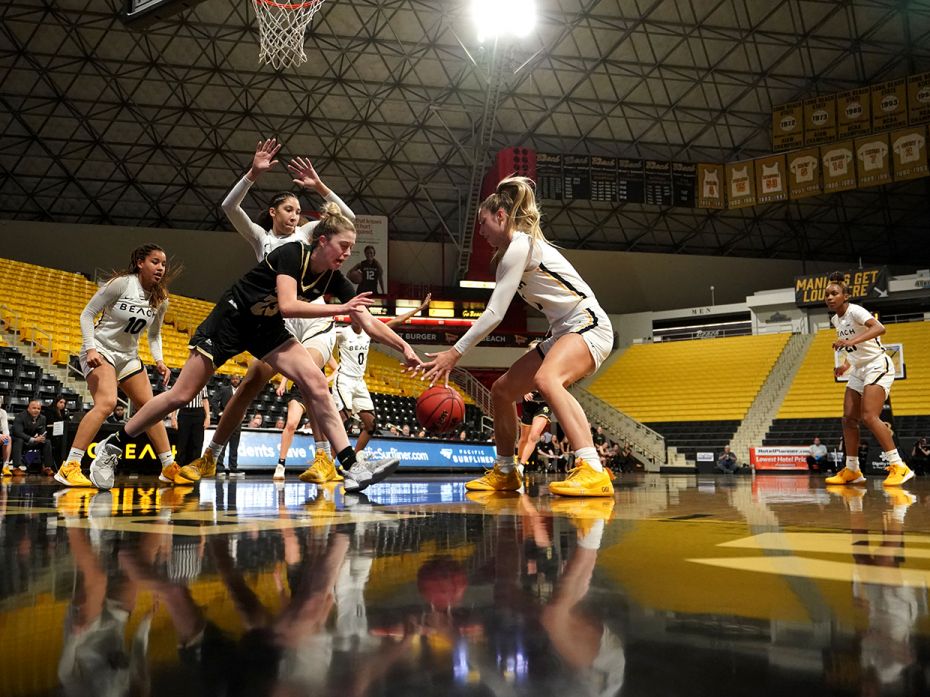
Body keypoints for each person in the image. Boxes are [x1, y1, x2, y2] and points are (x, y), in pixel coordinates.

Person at [88, 206, 422, 494]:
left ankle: (351, 465)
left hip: (265, 328)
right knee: (179, 394)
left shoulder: (333, 277)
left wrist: (404, 347)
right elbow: (289, 305)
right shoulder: (293, 254)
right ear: (323, 241)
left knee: (316, 383)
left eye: (351, 247)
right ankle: (113, 444)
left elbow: (365, 317)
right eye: (344, 246)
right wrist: (340, 309)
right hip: (230, 319)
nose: (348, 253)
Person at [420, 176, 614, 497]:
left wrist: (455, 352)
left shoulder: (522, 244)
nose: (480, 232)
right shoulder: (510, 255)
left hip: (588, 322)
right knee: (501, 391)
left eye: (483, 223)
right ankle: (507, 471)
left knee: (547, 380)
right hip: (566, 328)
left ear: (500, 217)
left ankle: (592, 467)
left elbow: (495, 314)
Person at [191, 139, 359, 485]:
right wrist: (252, 174)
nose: (295, 215)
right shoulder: (261, 240)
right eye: (289, 209)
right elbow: (228, 205)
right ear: (273, 212)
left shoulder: (309, 234)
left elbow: (349, 220)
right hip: (271, 322)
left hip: (308, 324)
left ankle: (325, 458)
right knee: (249, 386)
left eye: (298, 210)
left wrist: (321, 187)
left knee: (311, 382)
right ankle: (212, 456)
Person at [55, 244, 177, 488]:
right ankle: (70, 466)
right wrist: (90, 348)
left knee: (151, 408)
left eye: (163, 264)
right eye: (155, 262)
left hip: (128, 356)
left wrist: (160, 360)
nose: (160, 268)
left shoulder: (160, 298)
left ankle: (169, 467)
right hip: (101, 349)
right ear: (140, 263)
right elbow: (87, 314)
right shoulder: (121, 283)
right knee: (107, 403)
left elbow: (154, 335)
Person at [824, 272, 914, 487]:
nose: (829, 297)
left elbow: (879, 328)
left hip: (877, 364)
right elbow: (854, 348)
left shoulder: (856, 310)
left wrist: (849, 342)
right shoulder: (836, 319)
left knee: (869, 416)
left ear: (845, 296)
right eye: (826, 294)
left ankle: (899, 466)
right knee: (848, 419)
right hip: (858, 369)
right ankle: (853, 470)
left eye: (834, 293)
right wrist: (845, 365)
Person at [329, 295, 430, 464]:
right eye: (353, 313)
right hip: (344, 380)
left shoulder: (369, 333)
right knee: (344, 421)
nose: (357, 316)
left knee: (371, 426)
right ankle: (329, 462)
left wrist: (418, 310)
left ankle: (353, 460)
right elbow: (321, 339)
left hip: (359, 383)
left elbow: (396, 322)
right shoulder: (342, 333)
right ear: (350, 316)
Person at [10, 399, 54, 475]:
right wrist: (33, 439)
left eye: (38, 409)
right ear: (28, 408)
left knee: (47, 442)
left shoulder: (42, 418)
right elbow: (18, 433)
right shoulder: (20, 416)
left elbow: (43, 432)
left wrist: (41, 438)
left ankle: (47, 468)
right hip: (21, 440)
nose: (36, 410)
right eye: (34, 408)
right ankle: (16, 468)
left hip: (34, 440)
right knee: (19, 440)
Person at [211, 374, 243, 475]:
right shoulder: (224, 389)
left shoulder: (242, 390)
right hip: (225, 419)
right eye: (233, 379)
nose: (235, 380)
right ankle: (219, 468)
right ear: (230, 380)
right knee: (222, 444)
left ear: (239, 380)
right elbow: (214, 401)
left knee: (234, 445)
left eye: (237, 379)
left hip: (237, 420)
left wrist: (244, 412)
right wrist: (219, 412)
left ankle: (233, 468)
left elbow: (246, 402)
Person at [175, 386, 210, 467]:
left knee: (197, 442)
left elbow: (205, 400)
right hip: (184, 412)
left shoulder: (202, 383)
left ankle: (195, 467)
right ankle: (179, 466)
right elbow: (176, 400)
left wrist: (208, 417)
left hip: (198, 413)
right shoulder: (183, 382)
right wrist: (173, 417)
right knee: (182, 442)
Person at [517, 391, 551, 471]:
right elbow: (516, 379)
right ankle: (518, 461)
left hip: (544, 404)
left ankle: (521, 467)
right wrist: (523, 390)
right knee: (523, 439)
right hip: (528, 403)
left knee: (533, 436)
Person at [0, 401, 11, 471]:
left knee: (8, 439)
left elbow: (5, 429)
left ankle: (5, 466)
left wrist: (5, 436)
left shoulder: (3, 412)